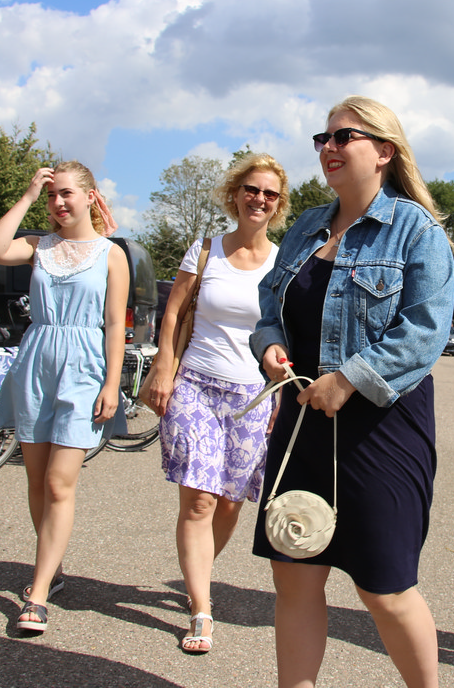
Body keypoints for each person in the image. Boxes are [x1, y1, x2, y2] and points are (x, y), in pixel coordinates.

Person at [250, 96, 454, 688]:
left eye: (345, 136)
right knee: (294, 572)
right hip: (302, 422)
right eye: (324, 138)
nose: (329, 147)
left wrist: (349, 378)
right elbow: (269, 306)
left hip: (381, 428)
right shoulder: (306, 227)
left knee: (384, 587)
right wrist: (270, 347)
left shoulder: (417, 231)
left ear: (384, 150)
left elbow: (425, 331)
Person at [142, 153, 291, 654]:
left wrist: (280, 392)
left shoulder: (283, 262)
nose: (259, 199)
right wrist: (165, 367)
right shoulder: (206, 250)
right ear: (235, 194)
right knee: (200, 500)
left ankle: (197, 575)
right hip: (197, 386)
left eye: (269, 193)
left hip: (253, 394)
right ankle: (201, 610)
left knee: (229, 502)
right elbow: (174, 311)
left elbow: (286, 331)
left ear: (278, 205)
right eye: (251, 189)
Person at [0, 161, 128, 634]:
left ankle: (39, 593)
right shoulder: (37, 246)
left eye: (66, 193)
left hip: (84, 368)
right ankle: (54, 566)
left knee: (60, 483)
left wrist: (112, 383)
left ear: (90, 197)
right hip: (37, 363)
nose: (58, 202)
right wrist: (27, 196)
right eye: (51, 195)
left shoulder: (111, 254)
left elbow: (114, 324)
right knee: (37, 481)